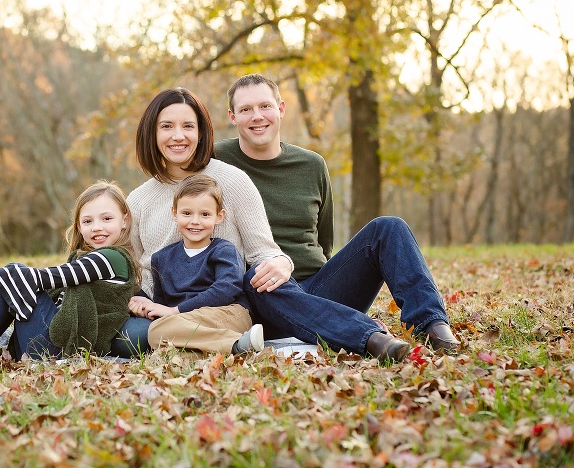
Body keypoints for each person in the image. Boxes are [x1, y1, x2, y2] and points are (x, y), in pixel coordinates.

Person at [111, 86, 409, 362]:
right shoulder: (138, 201)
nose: (178, 136)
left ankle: (376, 335)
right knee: (128, 337)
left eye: (188, 126)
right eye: (167, 127)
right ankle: (228, 342)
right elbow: (134, 271)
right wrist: (139, 300)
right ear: (152, 133)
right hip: (164, 313)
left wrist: (281, 262)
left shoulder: (232, 180)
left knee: (259, 278)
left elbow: (263, 250)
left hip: (223, 307)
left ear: (202, 133)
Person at [214, 73, 460, 355]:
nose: (257, 116)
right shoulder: (216, 160)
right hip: (266, 300)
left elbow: (323, 240)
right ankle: (372, 338)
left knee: (389, 227)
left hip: (321, 290)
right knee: (258, 276)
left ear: (281, 109)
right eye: (246, 110)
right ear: (233, 117)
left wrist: (295, 267)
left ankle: (433, 326)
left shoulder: (311, 165)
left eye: (265, 106)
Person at [0, 181, 138, 364]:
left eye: (107, 218)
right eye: (87, 221)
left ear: (125, 221)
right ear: (78, 226)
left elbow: (46, 278)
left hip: (62, 348)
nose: (97, 227)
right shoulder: (89, 257)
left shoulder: (113, 259)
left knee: (13, 274)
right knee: (12, 277)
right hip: (53, 343)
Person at [131, 174, 264, 354]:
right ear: (174, 213)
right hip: (186, 321)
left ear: (219, 216)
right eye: (187, 213)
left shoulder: (223, 250)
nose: (195, 221)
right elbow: (162, 306)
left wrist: (176, 311)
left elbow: (227, 289)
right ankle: (236, 348)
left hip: (228, 314)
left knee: (159, 331)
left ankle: (235, 343)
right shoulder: (161, 258)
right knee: (159, 334)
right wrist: (146, 305)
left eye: (205, 214)